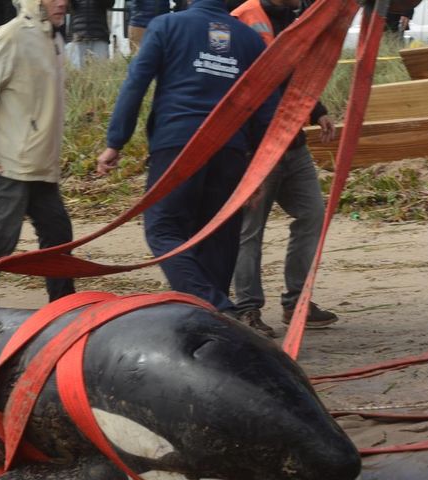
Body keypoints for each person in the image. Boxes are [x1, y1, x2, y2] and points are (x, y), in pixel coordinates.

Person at [97, 0, 275, 316]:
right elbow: (265, 109)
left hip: (178, 144)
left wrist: (116, 141)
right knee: (219, 236)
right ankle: (213, 325)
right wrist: (257, 169)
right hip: (230, 150)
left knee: (163, 230)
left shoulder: (167, 26)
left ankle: (217, 308)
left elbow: (136, 82)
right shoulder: (248, 39)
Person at [230, 0, 339, 337]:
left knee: (312, 215)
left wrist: (317, 109)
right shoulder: (244, 16)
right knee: (250, 231)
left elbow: (296, 72)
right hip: (257, 148)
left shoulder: (297, 19)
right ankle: (247, 309)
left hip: (292, 143)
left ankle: (296, 304)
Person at [0, 0, 76, 303]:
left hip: (43, 167)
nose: (63, 3)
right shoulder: (10, 36)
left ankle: (63, 309)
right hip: (11, 165)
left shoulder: (55, 40)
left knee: (59, 240)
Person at [66, 0, 115, 68]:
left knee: (101, 72)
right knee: (76, 72)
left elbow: (110, 3)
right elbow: (66, 7)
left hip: (99, 36)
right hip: (77, 37)